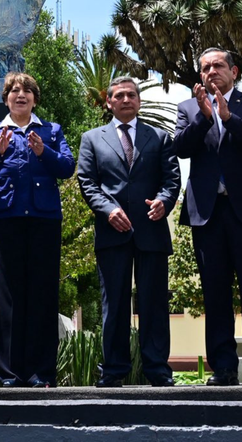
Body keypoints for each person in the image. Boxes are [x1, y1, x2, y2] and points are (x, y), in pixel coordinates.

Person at [174, 49, 242, 386]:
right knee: (215, 291)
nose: (211, 71)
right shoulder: (188, 108)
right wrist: (205, 118)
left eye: (218, 65)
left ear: (233, 71)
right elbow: (181, 148)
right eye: (205, 67)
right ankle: (222, 367)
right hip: (208, 214)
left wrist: (229, 118)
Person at [0, 73, 75, 388]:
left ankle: (41, 374)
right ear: (6, 99)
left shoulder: (51, 130)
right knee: (10, 297)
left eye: (27, 90)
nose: (21, 95)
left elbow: (67, 167)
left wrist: (45, 152)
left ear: (34, 99)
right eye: (15, 90)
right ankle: (10, 374)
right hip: (7, 219)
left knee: (43, 294)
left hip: (45, 220)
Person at [77, 76, 182, 387]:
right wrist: (108, 210)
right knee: (114, 305)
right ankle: (113, 370)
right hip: (112, 232)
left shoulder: (159, 137)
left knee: (154, 304)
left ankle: (157, 369)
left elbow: (172, 180)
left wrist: (164, 201)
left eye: (131, 95)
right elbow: (87, 182)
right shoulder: (92, 139)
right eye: (119, 96)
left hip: (151, 230)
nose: (126, 100)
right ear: (109, 102)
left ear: (139, 101)